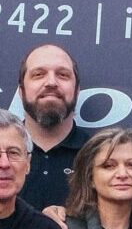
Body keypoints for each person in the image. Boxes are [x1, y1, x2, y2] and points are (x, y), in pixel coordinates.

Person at [17, 43, 89, 207]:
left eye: (62, 75)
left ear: (77, 90)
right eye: (38, 74)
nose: (51, 82)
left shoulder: (99, 157)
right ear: (21, 91)